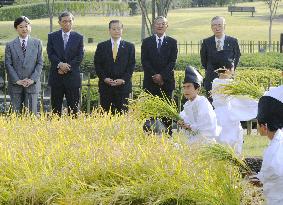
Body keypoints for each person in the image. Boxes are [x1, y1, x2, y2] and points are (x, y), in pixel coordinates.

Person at [211, 59, 258, 154]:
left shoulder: (215, 82)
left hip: (217, 113)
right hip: (229, 113)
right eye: (232, 69)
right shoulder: (230, 83)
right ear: (226, 69)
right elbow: (240, 98)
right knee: (232, 137)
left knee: (219, 136)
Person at [141, 16, 178, 134]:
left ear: (167, 26)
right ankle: (151, 136)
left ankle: (168, 135)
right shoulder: (146, 42)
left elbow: (173, 61)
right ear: (153, 26)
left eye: (163, 24)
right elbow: (144, 61)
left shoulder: (172, 42)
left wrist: (162, 76)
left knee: (166, 111)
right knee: (151, 112)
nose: (160, 26)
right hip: (150, 82)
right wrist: (154, 76)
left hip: (166, 83)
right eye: (158, 24)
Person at [47, 11, 84, 116]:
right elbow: (51, 54)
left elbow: (79, 56)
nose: (67, 23)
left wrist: (66, 67)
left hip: (72, 78)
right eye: (64, 21)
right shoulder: (52, 36)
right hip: (56, 77)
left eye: (69, 21)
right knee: (55, 111)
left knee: (74, 111)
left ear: (73, 22)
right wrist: (60, 65)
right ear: (59, 22)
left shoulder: (79, 37)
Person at [94, 20, 135, 114]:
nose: (117, 31)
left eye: (119, 28)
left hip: (123, 88)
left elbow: (131, 66)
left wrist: (123, 79)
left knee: (122, 116)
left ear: (122, 30)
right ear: (109, 30)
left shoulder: (129, 47)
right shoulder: (102, 46)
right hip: (106, 87)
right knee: (105, 117)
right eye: (114, 29)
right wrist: (104, 78)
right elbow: (97, 64)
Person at [5, 16, 43, 115]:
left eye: (26, 26)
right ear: (16, 28)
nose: (24, 29)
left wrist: (32, 79)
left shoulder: (37, 43)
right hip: (15, 85)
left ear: (30, 27)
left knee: (31, 116)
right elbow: (8, 64)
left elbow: (40, 63)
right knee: (15, 115)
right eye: (21, 27)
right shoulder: (10, 45)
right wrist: (18, 80)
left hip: (32, 85)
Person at [200, 16, 241, 103]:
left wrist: (231, 70)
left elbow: (237, 57)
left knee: (228, 103)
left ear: (224, 26)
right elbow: (204, 60)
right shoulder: (206, 42)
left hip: (228, 79)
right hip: (211, 79)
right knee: (212, 104)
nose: (217, 27)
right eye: (214, 25)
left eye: (219, 25)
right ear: (211, 27)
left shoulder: (233, 41)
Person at [178, 66, 221, 143]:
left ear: (197, 89)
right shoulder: (187, 104)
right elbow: (185, 119)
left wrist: (190, 126)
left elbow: (207, 125)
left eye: (188, 87)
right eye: (184, 87)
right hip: (193, 141)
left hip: (205, 142)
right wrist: (182, 123)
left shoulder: (202, 102)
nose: (186, 90)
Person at [256, 86, 283, 205]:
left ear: (264, 126)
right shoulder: (277, 141)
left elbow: (274, 172)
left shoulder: (276, 147)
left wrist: (258, 179)